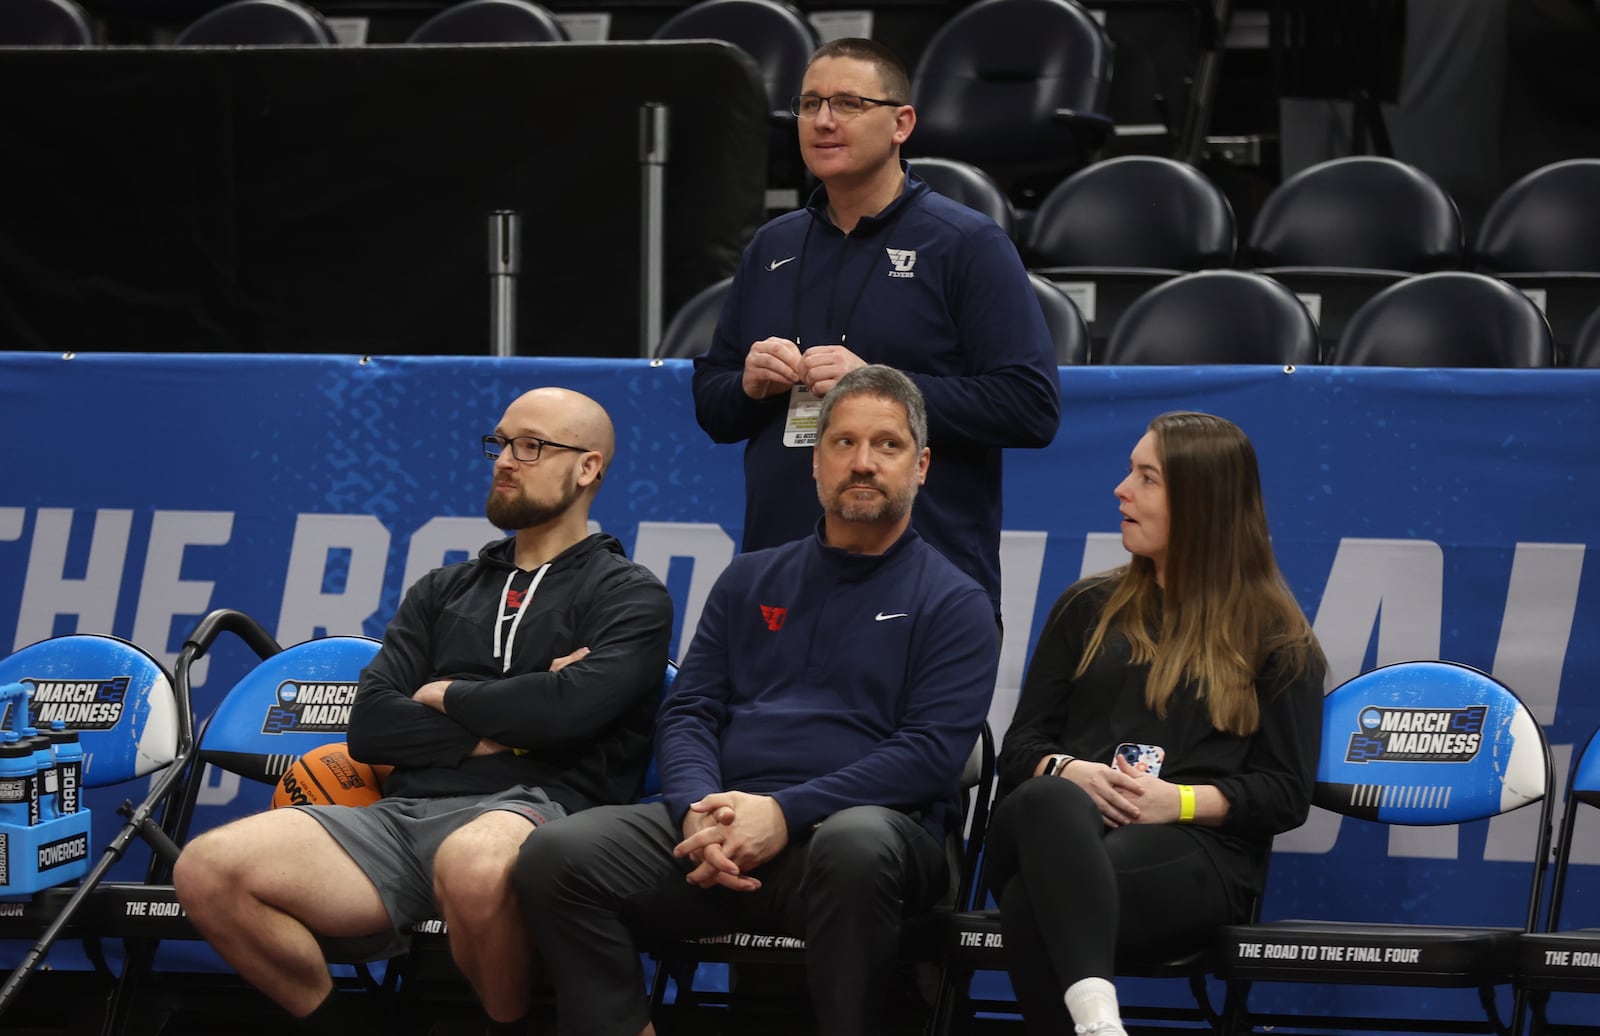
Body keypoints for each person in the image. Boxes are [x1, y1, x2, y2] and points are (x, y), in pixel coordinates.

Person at [172, 387, 674, 1036]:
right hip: (401, 817)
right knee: (207, 870)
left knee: (472, 861)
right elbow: (371, 726)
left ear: (587, 468)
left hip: (540, 811)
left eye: (531, 446)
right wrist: (512, 715)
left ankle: (507, 1028)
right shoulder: (443, 590)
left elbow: (570, 714)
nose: (504, 461)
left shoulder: (629, 593)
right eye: (500, 443)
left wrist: (447, 694)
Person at [514, 365, 998, 1036]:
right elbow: (689, 711)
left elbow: (930, 757)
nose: (863, 463)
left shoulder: (955, 602)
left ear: (920, 466)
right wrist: (694, 814)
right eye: (843, 443)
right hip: (719, 833)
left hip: (861, 842)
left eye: (887, 445)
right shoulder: (749, 579)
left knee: (857, 844)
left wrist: (783, 812)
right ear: (815, 462)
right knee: (556, 855)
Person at [690, 36, 1060, 624]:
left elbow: (1029, 406)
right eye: (809, 104)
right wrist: (748, 384)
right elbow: (713, 403)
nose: (824, 121)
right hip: (780, 578)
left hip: (920, 589)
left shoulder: (966, 244)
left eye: (848, 104)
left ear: (901, 123)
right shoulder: (772, 245)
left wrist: (877, 389)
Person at [984, 411, 1326, 1036]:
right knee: (1048, 800)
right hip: (1038, 828)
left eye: (1147, 477)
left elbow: (1285, 792)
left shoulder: (1276, 637)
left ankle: (1094, 1023)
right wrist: (1071, 771)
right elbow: (1019, 750)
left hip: (1193, 853)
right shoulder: (1086, 608)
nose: (1122, 489)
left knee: (1036, 901)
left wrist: (1182, 802)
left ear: (1203, 504)